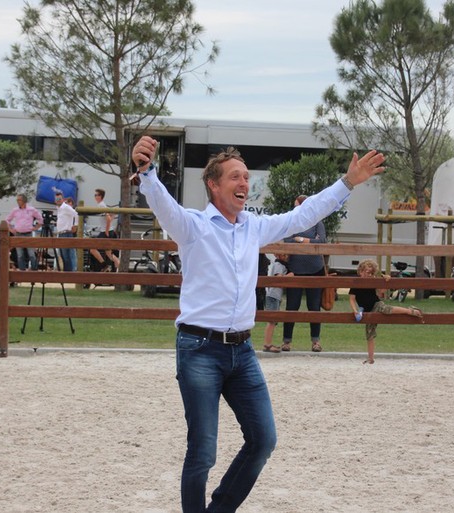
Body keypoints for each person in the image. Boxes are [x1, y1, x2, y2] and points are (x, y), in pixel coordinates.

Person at [132, 135, 385, 513]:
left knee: (264, 440)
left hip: (242, 352)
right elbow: (163, 205)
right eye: (235, 177)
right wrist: (147, 171)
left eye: (246, 177)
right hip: (199, 350)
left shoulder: (254, 227)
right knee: (203, 452)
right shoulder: (193, 226)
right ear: (213, 185)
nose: (244, 184)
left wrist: (347, 183)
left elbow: (304, 215)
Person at [348, 259, 423, 364]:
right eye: (367, 272)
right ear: (360, 271)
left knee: (386, 309)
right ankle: (370, 357)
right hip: (367, 310)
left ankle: (409, 311)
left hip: (376, 304)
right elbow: (352, 299)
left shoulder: (373, 280)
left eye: (372, 273)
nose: (369, 275)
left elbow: (381, 291)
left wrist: (386, 280)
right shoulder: (355, 283)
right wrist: (355, 310)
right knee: (369, 333)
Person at [281, 194, 326, 353]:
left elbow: (321, 242)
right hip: (295, 269)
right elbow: (287, 240)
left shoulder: (317, 221)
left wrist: (300, 239)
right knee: (292, 307)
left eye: (297, 205)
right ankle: (287, 341)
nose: (295, 208)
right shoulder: (292, 221)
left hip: (315, 270)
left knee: (314, 307)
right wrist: (308, 241)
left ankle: (316, 341)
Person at [262, 253, 292, 353]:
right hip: (273, 295)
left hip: (275, 295)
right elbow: (279, 278)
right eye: (285, 255)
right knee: (271, 321)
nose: (287, 256)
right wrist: (290, 275)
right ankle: (267, 344)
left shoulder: (279, 264)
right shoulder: (279, 265)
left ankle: (268, 343)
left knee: (273, 321)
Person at [5, 194, 43, 270]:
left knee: (31, 253)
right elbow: (7, 220)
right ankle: (22, 270)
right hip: (18, 234)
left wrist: (36, 227)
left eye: (19, 200)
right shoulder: (15, 210)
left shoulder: (32, 210)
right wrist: (11, 229)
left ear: (24, 201)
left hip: (28, 233)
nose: (18, 201)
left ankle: (34, 270)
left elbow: (40, 219)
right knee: (20, 254)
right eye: (17, 200)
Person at [89, 188, 120, 271]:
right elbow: (112, 215)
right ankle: (119, 267)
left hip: (105, 232)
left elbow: (109, 219)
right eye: (95, 195)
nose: (95, 196)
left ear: (101, 196)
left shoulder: (101, 205)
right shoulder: (103, 205)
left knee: (92, 249)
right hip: (109, 230)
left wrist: (106, 231)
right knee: (108, 253)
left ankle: (104, 265)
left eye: (97, 195)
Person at [54, 192, 77, 272]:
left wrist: (75, 225)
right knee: (63, 255)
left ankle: (70, 272)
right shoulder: (59, 209)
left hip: (66, 233)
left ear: (62, 199)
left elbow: (76, 214)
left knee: (68, 255)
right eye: (56, 199)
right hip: (61, 233)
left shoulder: (66, 207)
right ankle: (67, 273)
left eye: (59, 199)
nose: (58, 200)